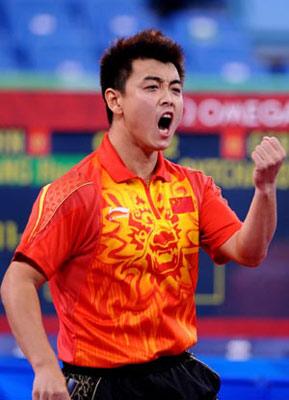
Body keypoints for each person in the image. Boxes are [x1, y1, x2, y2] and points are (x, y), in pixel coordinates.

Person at [0, 29, 286, 400]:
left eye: (175, 89)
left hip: (178, 378)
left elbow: (249, 252)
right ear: (114, 101)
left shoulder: (193, 186)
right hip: (103, 385)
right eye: (152, 88)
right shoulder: (76, 192)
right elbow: (17, 283)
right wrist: (43, 367)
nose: (168, 98)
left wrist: (264, 190)